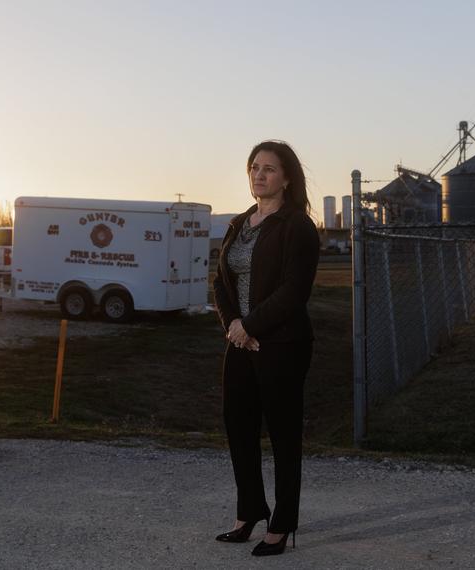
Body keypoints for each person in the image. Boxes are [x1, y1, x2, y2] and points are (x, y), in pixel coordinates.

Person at [212, 140, 319, 557]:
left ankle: (282, 524)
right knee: (238, 427)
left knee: (283, 434)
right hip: (240, 342)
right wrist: (234, 328)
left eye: (269, 168)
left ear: (287, 178)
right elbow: (219, 281)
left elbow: (294, 291)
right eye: (254, 167)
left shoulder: (297, 226)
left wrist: (251, 326)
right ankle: (249, 512)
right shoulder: (239, 223)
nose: (259, 174)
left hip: (283, 343)